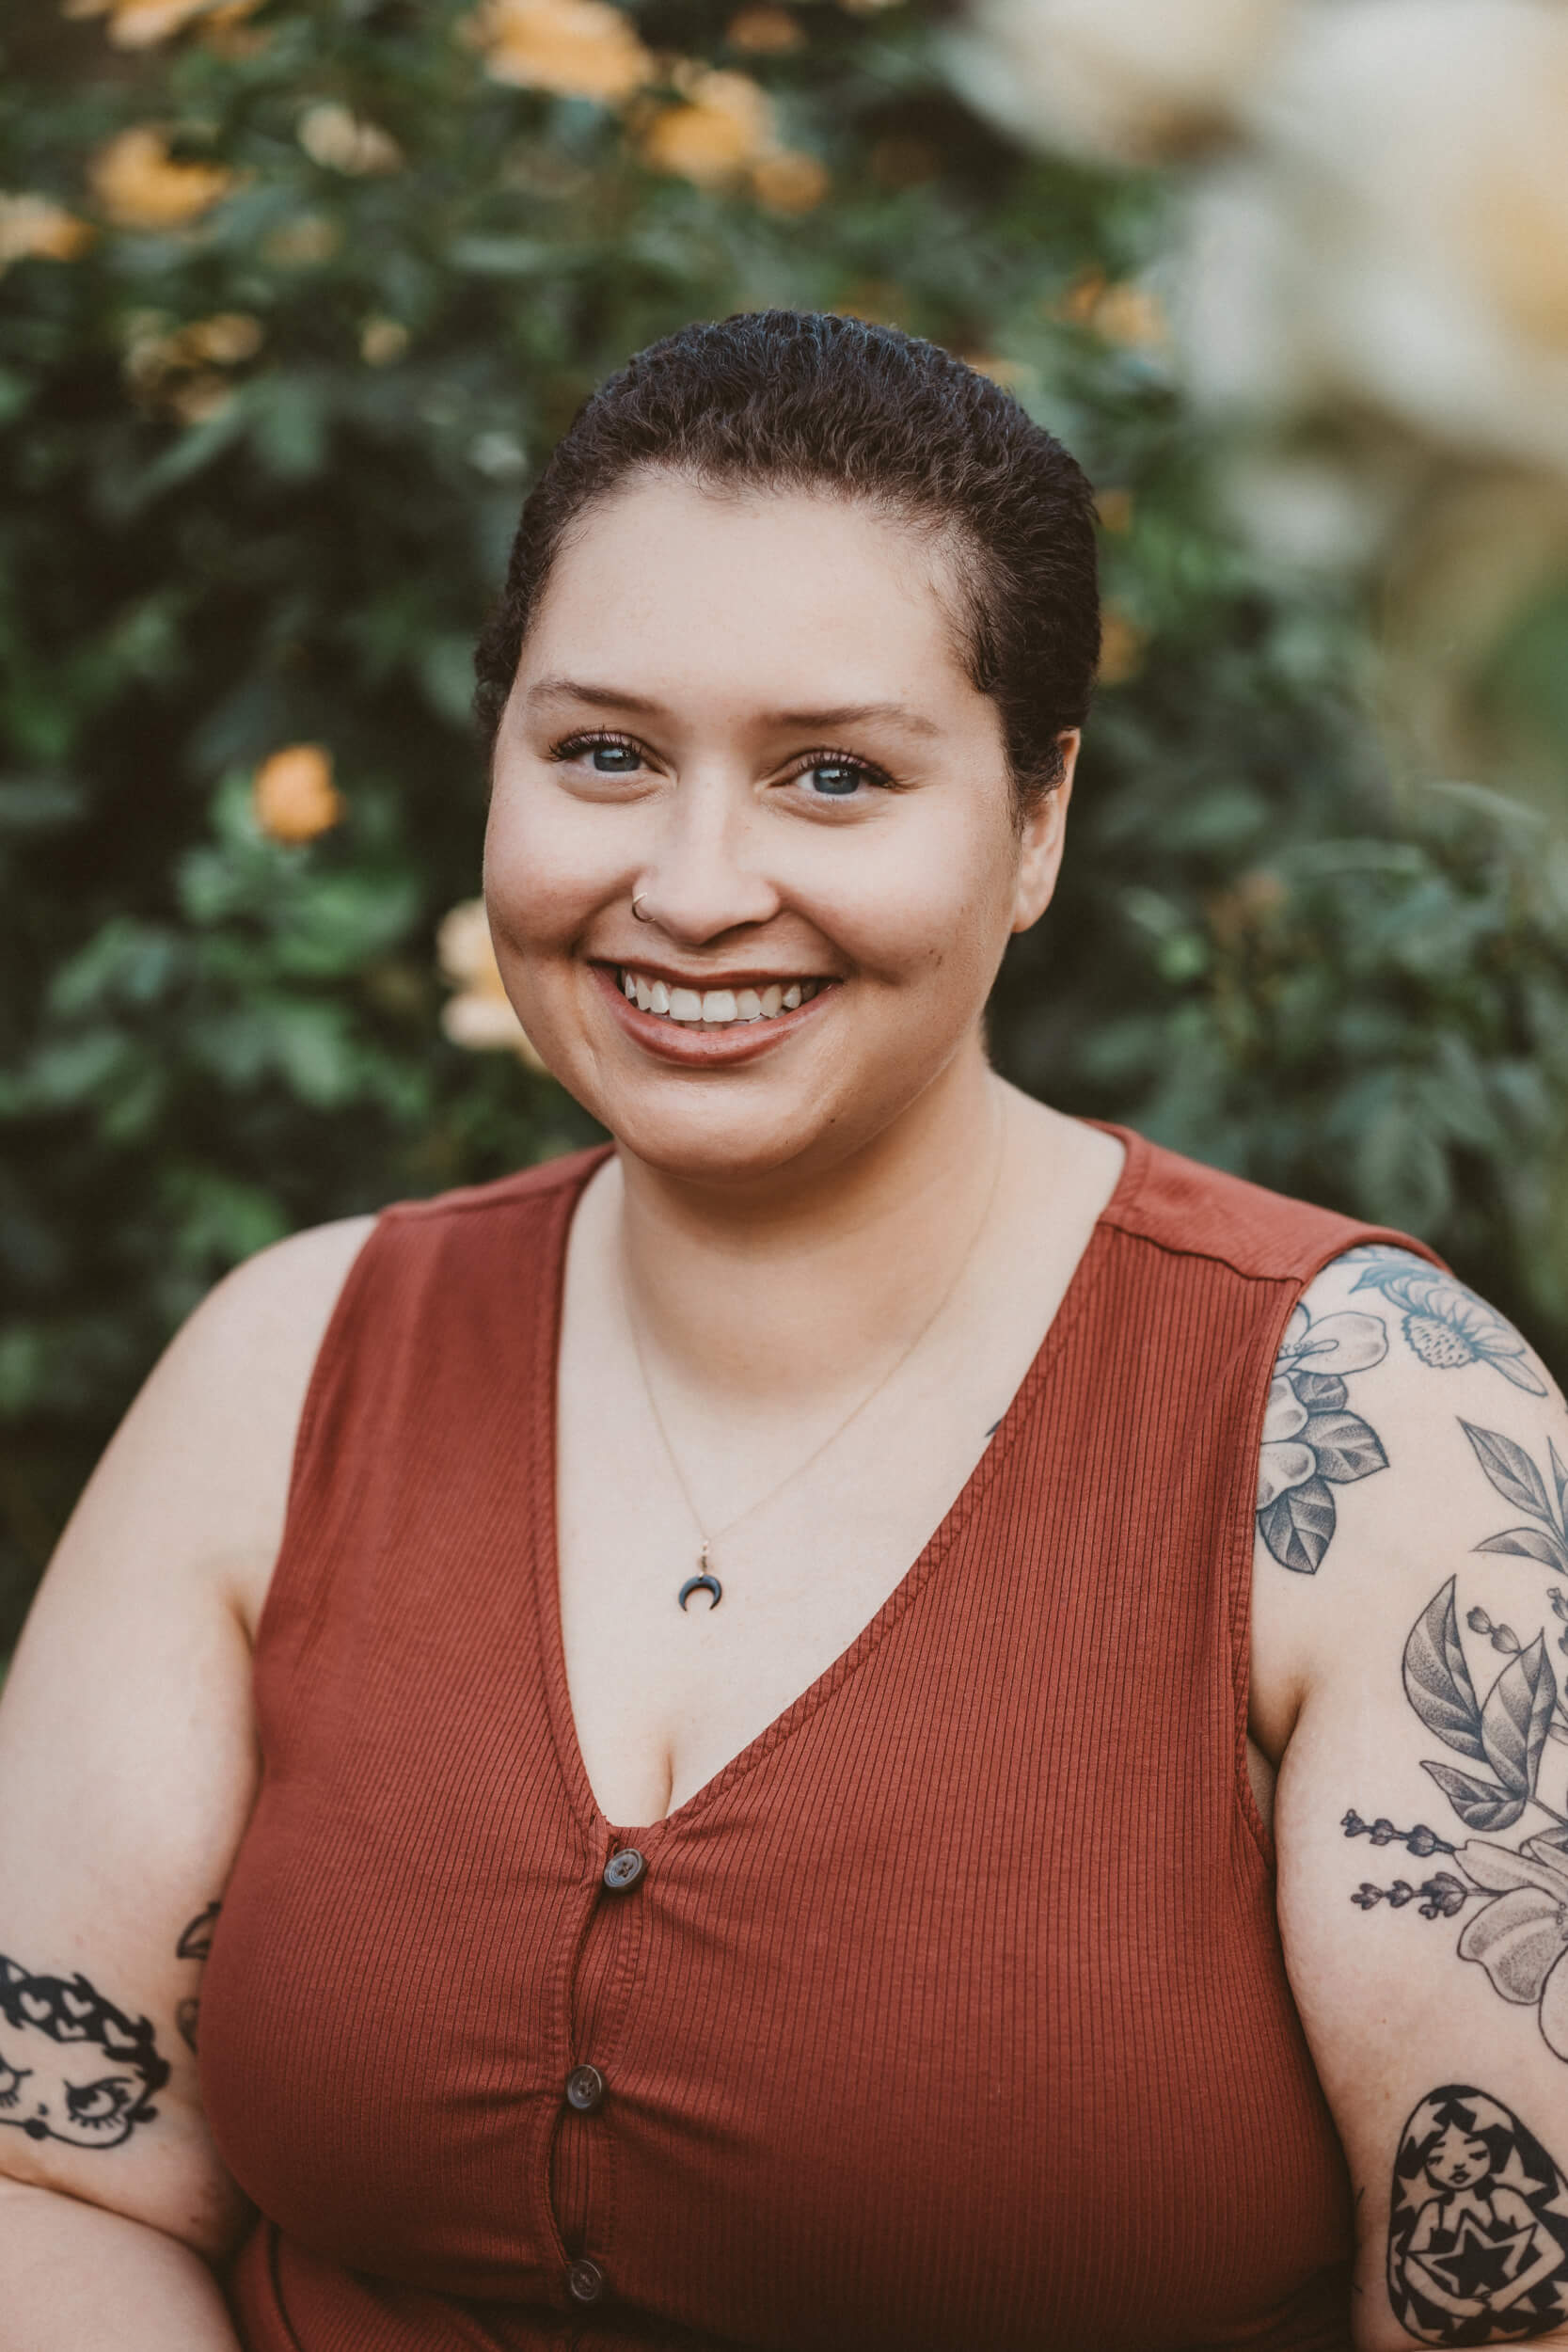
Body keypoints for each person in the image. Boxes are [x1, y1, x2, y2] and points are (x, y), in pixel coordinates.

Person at [1, 308, 1566, 2352]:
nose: (695, 881)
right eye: (606, 754)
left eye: (835, 773)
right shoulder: (291, 1364)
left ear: (1034, 825)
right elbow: (53, 2165)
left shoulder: (1380, 1438)